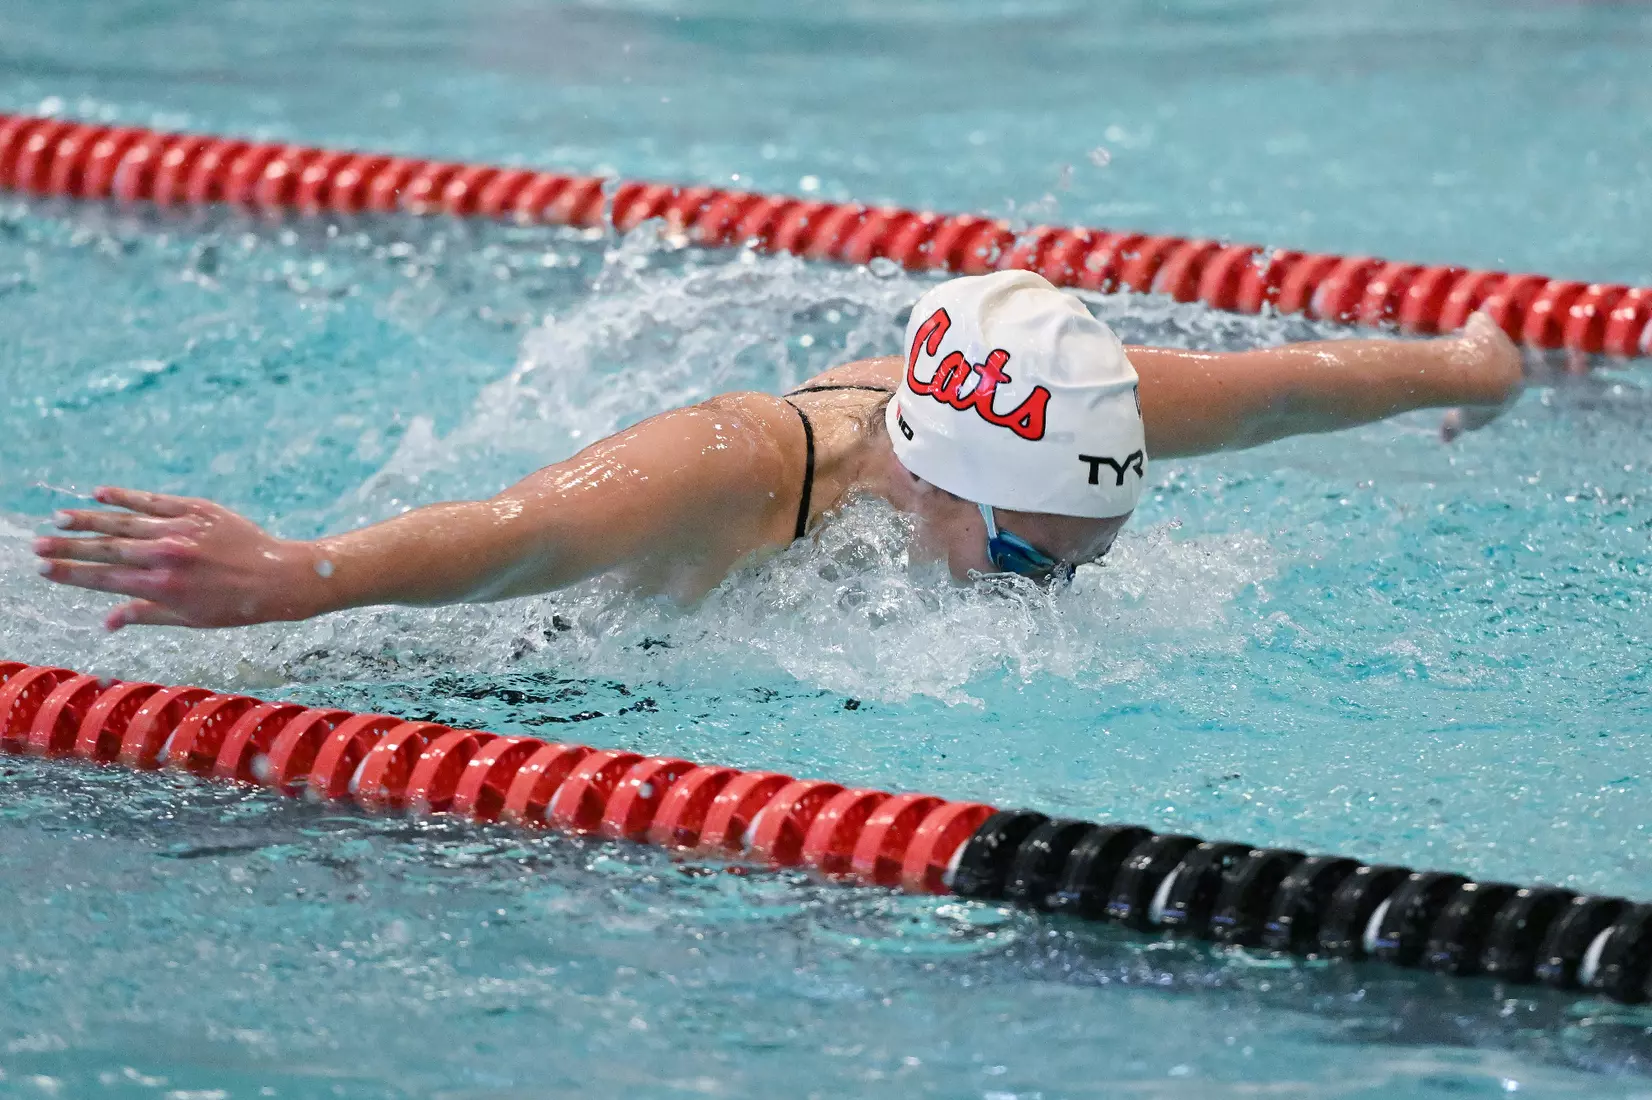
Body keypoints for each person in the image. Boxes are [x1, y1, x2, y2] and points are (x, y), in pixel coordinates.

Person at [34, 270, 1523, 632]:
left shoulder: (1074, 409)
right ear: (929, 478)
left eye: (1082, 564)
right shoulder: (734, 466)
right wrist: (295, 573)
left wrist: (1476, 365)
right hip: (526, 657)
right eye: (1024, 564)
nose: (1045, 600)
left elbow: (1281, 393)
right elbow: (514, 534)